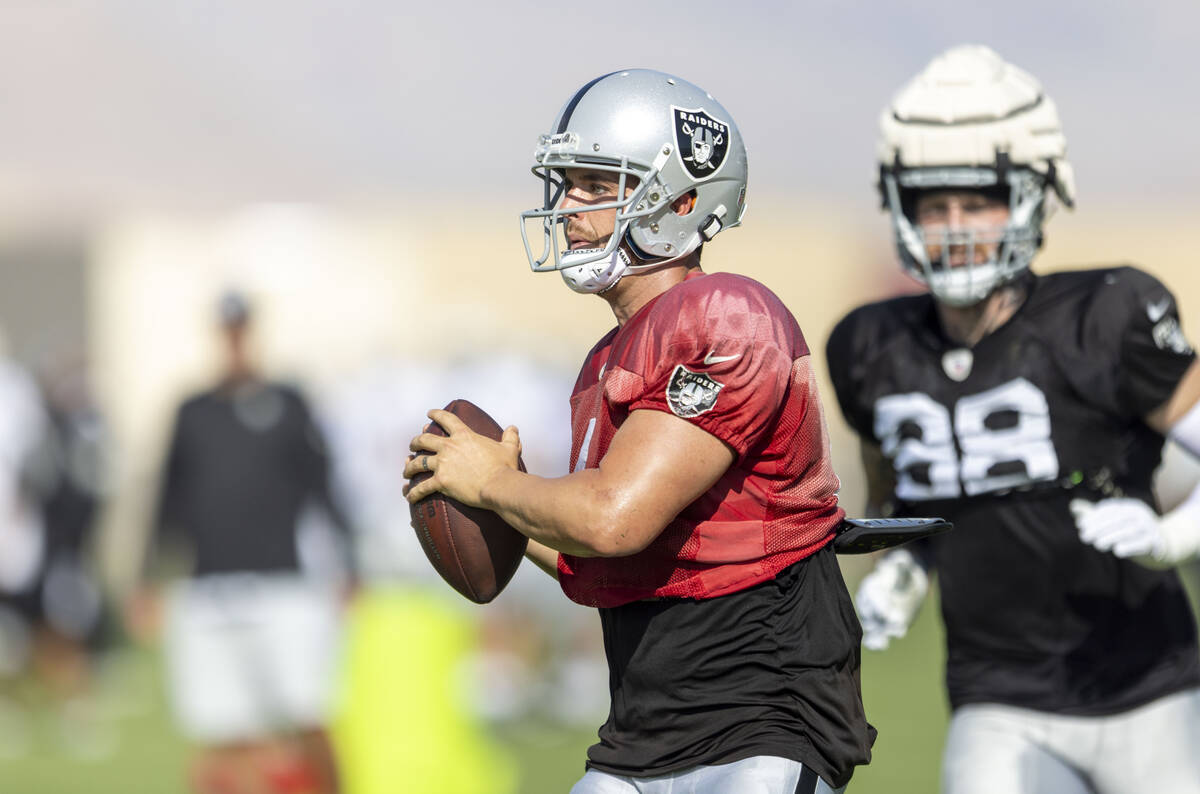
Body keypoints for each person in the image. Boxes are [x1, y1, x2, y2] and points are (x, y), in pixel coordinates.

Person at [405, 69, 874, 794]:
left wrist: (497, 483)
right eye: (565, 185)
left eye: (596, 185)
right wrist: (485, 498)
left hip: (760, 723)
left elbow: (615, 518)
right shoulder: (604, 361)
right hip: (644, 733)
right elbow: (600, 557)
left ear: (682, 201)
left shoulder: (728, 313)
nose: (566, 208)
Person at [826, 44, 1200, 794]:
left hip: (1149, 689)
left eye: (981, 198)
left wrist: (1174, 534)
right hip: (998, 697)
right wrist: (909, 560)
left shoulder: (1106, 315)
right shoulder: (872, 346)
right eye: (935, 203)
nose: (957, 224)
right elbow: (900, 499)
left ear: (1034, 193)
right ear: (902, 206)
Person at [141, 291, 354, 794]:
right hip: (209, 587)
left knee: (307, 715)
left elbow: (323, 486)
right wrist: (146, 577)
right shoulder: (192, 410)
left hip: (285, 584)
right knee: (218, 729)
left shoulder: (288, 402)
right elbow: (167, 499)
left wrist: (349, 562)